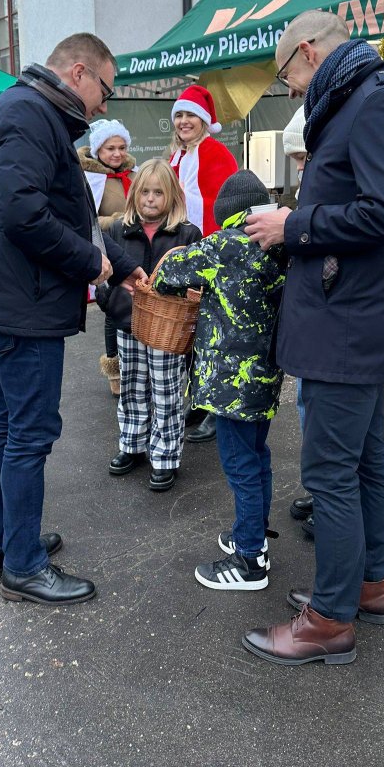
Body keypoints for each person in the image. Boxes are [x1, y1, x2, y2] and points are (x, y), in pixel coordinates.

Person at [242, 10, 384, 667]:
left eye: (288, 72)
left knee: (330, 471)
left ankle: (328, 620)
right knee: (364, 459)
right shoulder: (364, 104)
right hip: (351, 318)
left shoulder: (376, 105)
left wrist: (293, 225)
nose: (291, 89)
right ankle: (365, 586)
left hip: (346, 325)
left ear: (311, 51)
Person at [0, 32, 146, 607]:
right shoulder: (30, 114)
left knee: (7, 426)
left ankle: (5, 545)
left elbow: (33, 210)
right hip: (24, 304)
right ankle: (23, 564)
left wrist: (107, 262)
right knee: (27, 433)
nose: (105, 107)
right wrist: (94, 263)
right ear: (80, 73)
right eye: (105, 91)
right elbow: (25, 215)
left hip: (10, 297)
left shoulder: (26, 110)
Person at [155, 170, 286, 590]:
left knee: (239, 464)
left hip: (230, 384)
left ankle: (249, 561)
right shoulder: (280, 244)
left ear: (226, 214)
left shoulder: (222, 245)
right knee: (256, 455)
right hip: (266, 375)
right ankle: (254, 534)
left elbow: (169, 271)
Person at [103, 159, 201, 491]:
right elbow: (105, 275)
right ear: (134, 195)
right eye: (144, 192)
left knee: (166, 391)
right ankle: (131, 443)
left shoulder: (186, 233)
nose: (150, 199)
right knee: (132, 386)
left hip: (167, 331)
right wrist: (110, 303)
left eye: (158, 193)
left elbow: (197, 281)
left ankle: (164, 456)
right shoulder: (118, 229)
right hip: (129, 324)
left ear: (171, 196)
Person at [168, 84, 238, 442]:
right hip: (185, 253)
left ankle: (215, 408)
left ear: (204, 121)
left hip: (211, 256)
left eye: (189, 115)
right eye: (178, 115)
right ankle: (196, 401)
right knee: (192, 335)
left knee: (214, 334)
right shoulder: (175, 158)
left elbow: (227, 209)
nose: (183, 122)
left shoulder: (218, 153)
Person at [78, 118, 137, 397]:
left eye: (122, 147)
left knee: (135, 307)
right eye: (110, 148)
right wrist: (116, 220)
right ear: (98, 149)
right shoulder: (88, 177)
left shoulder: (134, 174)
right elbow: (85, 220)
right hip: (106, 250)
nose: (117, 153)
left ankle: (138, 366)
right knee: (113, 310)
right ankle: (115, 370)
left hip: (133, 249)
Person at [282, 106, 316, 539]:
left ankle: (330, 501)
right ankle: (321, 490)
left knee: (326, 422)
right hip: (313, 319)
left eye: (304, 158)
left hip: (330, 323)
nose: (301, 168)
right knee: (309, 408)